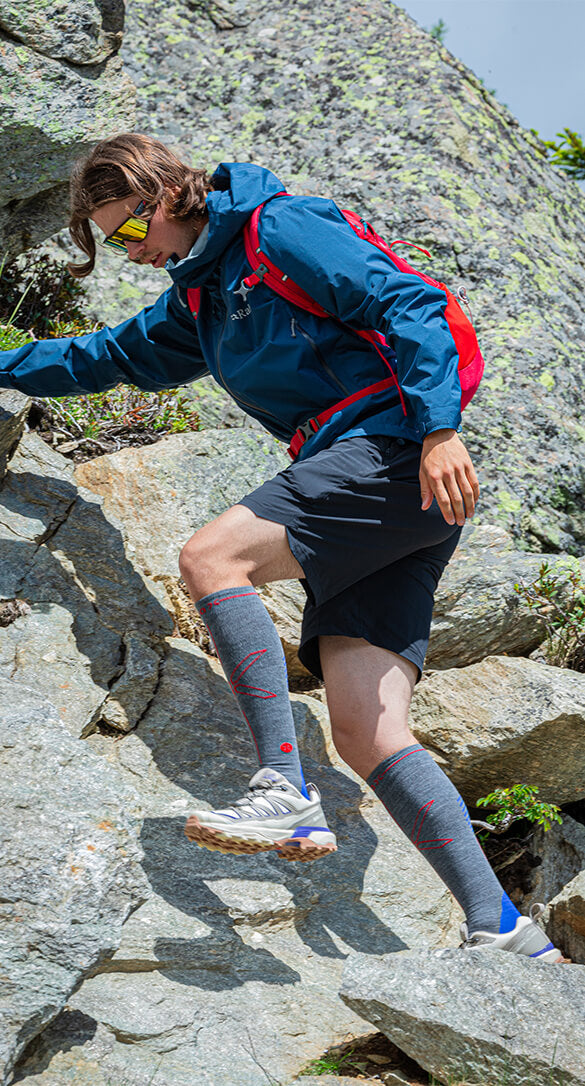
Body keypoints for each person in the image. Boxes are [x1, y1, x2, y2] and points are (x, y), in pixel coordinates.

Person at [0, 133, 561, 962]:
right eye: (113, 243)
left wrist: (440, 428)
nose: (132, 252)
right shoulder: (199, 297)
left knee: (210, 558)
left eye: (128, 231)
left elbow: (409, 303)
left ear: (165, 194)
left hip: (395, 450)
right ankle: (506, 930)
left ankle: (282, 789)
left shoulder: (279, 229)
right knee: (367, 732)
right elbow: (106, 356)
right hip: (383, 491)